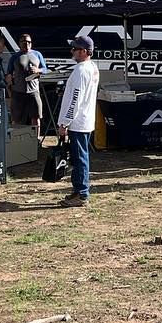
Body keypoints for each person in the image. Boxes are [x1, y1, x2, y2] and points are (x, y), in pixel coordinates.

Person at [56, 34, 100, 207]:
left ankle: (81, 193)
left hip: (78, 122)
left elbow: (75, 99)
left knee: (80, 157)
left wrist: (64, 122)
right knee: (78, 157)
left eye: (75, 48)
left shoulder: (81, 71)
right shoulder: (92, 67)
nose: (72, 51)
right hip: (85, 119)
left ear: (84, 51)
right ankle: (78, 190)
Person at [7, 33, 45, 128]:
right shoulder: (15, 57)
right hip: (18, 92)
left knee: (36, 118)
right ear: (19, 44)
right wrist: (9, 79)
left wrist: (38, 70)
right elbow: (8, 73)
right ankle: (17, 140)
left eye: (29, 42)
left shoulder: (37, 54)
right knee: (16, 119)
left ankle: (36, 141)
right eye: (24, 42)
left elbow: (45, 69)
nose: (27, 44)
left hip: (33, 91)